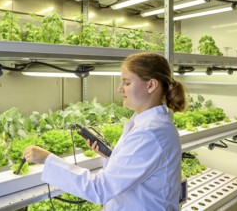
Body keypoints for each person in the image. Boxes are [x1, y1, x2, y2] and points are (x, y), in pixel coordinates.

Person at [23, 52, 187, 210]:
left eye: (127, 82)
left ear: (151, 85)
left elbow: (99, 189)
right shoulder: (149, 124)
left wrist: (47, 159)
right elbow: (136, 174)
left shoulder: (149, 133)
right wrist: (111, 156)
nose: (119, 89)